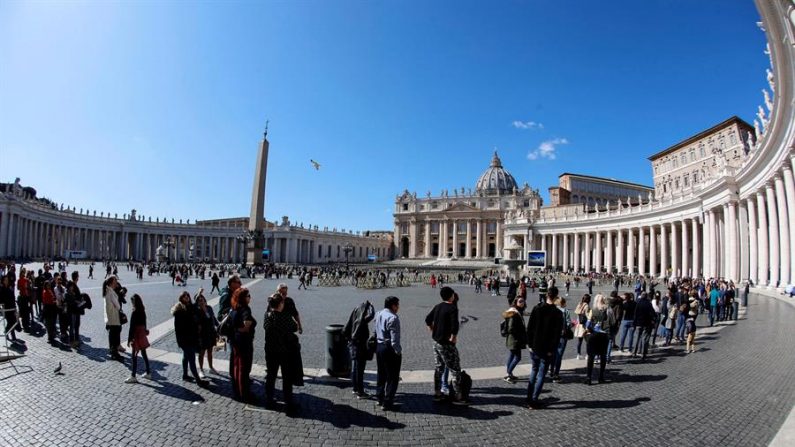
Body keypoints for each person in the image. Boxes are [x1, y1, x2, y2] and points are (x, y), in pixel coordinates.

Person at [425, 286, 467, 405]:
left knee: (439, 368)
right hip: (446, 344)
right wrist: (453, 337)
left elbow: (428, 319)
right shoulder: (452, 308)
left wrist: (433, 330)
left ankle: (438, 393)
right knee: (455, 369)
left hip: (436, 342)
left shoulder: (438, 306)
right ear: (451, 295)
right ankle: (458, 396)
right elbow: (455, 325)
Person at [525, 286, 564, 409]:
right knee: (541, 374)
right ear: (556, 297)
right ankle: (534, 400)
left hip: (535, 347)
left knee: (534, 371)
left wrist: (529, 345)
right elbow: (557, 335)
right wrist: (552, 350)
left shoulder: (537, 308)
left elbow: (530, 328)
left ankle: (528, 398)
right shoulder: (558, 313)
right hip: (547, 349)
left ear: (547, 295)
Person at [263, 293, 303, 411]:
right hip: (285, 351)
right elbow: (295, 327)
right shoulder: (285, 317)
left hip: (270, 350)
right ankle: (288, 401)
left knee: (271, 375)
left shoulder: (267, 315)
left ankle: (269, 399)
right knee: (287, 377)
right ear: (280, 304)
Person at [171, 291, 208, 387]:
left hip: (191, 337)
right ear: (181, 298)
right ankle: (198, 380)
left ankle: (185, 375)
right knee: (191, 359)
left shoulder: (190, 307)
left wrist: (199, 294)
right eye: (184, 296)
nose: (187, 297)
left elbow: (195, 306)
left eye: (188, 295)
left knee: (186, 357)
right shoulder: (180, 311)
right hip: (185, 339)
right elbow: (179, 328)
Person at [343, 300, 376, 399]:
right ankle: (360, 392)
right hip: (360, 347)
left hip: (353, 346)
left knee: (355, 369)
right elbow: (372, 315)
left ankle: (355, 389)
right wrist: (371, 306)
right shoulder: (362, 321)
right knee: (360, 370)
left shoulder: (354, 318)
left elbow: (345, 330)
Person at [375, 296, 402, 411]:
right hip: (389, 348)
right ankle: (387, 402)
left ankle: (379, 397)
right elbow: (394, 339)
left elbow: (375, 330)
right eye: (397, 305)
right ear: (393, 305)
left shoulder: (378, 314)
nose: (398, 307)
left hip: (379, 346)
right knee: (392, 376)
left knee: (381, 374)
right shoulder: (393, 318)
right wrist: (398, 351)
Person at [230, 287, 256, 402]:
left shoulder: (235, 307)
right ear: (243, 298)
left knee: (236, 366)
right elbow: (246, 326)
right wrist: (243, 329)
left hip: (235, 341)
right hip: (244, 342)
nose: (250, 297)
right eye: (248, 295)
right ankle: (245, 394)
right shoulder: (245, 309)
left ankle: (237, 391)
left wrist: (236, 329)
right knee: (244, 369)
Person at [584, 294, 615, 385]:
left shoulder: (592, 311)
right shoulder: (609, 310)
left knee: (591, 356)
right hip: (604, 336)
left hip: (594, 335)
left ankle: (589, 377)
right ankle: (601, 377)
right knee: (603, 356)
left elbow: (588, 325)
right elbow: (613, 322)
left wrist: (591, 329)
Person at [125, 294, 151, 383]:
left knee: (134, 356)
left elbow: (131, 327)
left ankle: (133, 376)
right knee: (144, 353)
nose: (131, 303)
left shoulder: (134, 312)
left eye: (132, 302)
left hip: (136, 335)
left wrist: (129, 339)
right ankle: (148, 372)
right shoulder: (142, 311)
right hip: (142, 333)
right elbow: (145, 323)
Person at [502, 297, 527, 383]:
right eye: (520, 301)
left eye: (523, 301)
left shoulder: (516, 311)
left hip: (513, 339)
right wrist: (520, 333)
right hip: (515, 339)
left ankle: (509, 374)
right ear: (515, 302)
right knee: (517, 357)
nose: (522, 303)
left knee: (512, 355)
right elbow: (511, 328)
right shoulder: (514, 313)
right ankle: (508, 374)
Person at [195, 293, 219, 377]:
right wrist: (199, 293)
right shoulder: (197, 311)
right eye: (199, 301)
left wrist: (218, 326)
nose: (202, 302)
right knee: (201, 353)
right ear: (197, 302)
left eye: (203, 300)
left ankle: (211, 367)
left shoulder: (209, 308)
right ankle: (201, 370)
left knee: (210, 351)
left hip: (211, 332)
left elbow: (213, 318)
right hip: (202, 334)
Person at [550, 297, 572, 383]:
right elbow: (568, 324)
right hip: (562, 336)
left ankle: (551, 370)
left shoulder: (552, 310)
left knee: (553, 353)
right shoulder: (565, 311)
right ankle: (556, 374)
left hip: (552, 335)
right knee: (559, 354)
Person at [103, 276, 124, 360]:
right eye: (115, 281)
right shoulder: (110, 292)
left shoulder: (109, 290)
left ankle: (114, 352)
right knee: (114, 334)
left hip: (112, 315)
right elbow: (117, 304)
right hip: (113, 315)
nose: (116, 283)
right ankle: (114, 353)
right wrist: (119, 308)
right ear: (111, 282)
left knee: (113, 334)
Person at [631, 292, 656, 361]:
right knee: (644, 339)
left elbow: (635, 314)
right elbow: (653, 313)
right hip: (646, 323)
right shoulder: (648, 304)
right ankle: (643, 354)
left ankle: (634, 353)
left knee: (637, 338)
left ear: (641, 296)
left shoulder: (638, 303)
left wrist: (634, 323)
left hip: (638, 323)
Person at [573, 295, 591, 360]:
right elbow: (588, 315)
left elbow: (576, 312)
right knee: (588, 341)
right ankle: (587, 355)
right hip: (584, 325)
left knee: (579, 341)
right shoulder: (587, 306)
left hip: (579, 325)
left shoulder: (579, 304)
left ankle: (578, 354)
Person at [0, 275, 17, 342]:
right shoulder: (1, 289)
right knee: (10, 322)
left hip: (12, 307)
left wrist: (15, 306)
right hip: (6, 308)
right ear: (3, 281)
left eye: (7, 280)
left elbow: (13, 297)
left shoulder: (10, 288)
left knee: (12, 321)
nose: (7, 281)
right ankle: (13, 337)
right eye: (5, 280)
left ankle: (6, 331)